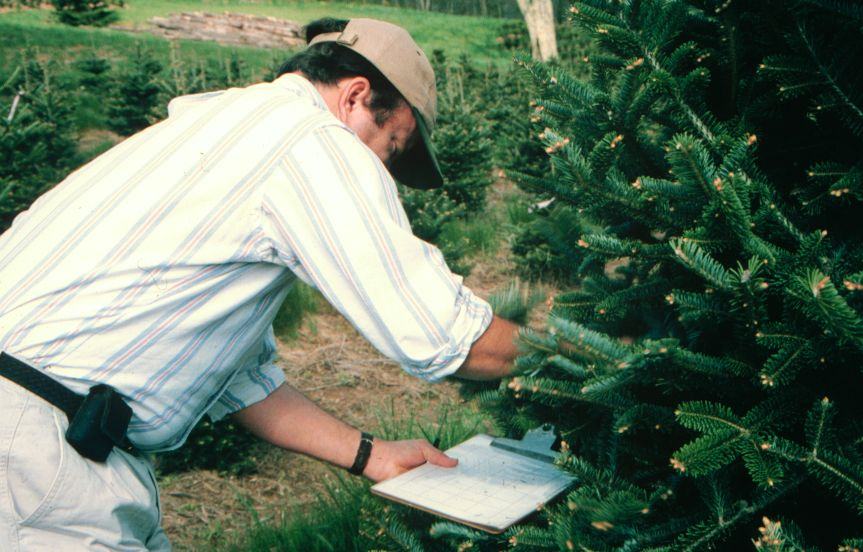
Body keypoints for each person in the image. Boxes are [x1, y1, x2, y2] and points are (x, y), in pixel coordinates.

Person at [0, 17, 520, 550]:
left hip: (46, 441)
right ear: (356, 97)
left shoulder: (222, 123)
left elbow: (242, 381)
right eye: (390, 147)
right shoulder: (314, 141)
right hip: (33, 456)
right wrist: (584, 355)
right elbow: (443, 336)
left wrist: (374, 455)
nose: (383, 172)